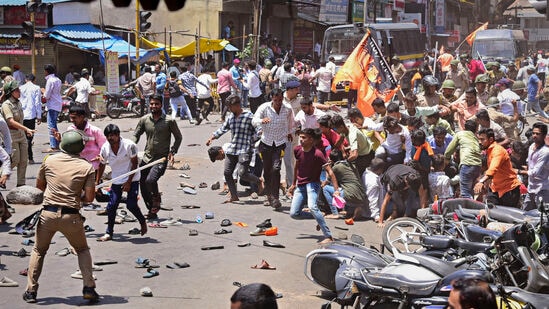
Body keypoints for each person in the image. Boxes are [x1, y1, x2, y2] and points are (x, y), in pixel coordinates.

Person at [23, 130, 99, 304]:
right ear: (80, 148)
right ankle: (88, 287)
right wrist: (76, 194)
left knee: (38, 250)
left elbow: (40, 186)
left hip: (47, 214)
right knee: (82, 250)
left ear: (63, 145)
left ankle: (31, 291)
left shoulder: (49, 160)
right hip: (71, 216)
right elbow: (89, 198)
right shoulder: (86, 167)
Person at [132, 95, 182, 220]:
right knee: (142, 185)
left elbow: (178, 137)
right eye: (152, 104)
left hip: (161, 159)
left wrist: (173, 151)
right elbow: (136, 134)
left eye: (157, 104)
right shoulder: (144, 119)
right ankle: (151, 210)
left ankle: (156, 198)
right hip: (147, 158)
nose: (154, 106)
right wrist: (130, 147)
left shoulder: (169, 121)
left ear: (161, 105)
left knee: (150, 181)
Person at [206, 95, 263, 203]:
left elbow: (259, 130)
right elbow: (223, 128)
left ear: (237, 105)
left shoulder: (249, 116)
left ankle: (258, 180)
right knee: (227, 173)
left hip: (245, 149)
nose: (229, 109)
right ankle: (234, 195)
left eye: (230, 107)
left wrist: (251, 141)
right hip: (233, 149)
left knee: (242, 173)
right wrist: (212, 137)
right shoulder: (230, 117)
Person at [95, 124, 147, 242]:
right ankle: (109, 233)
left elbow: (134, 164)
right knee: (112, 206)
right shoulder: (105, 148)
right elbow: (102, 165)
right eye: (108, 136)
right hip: (116, 179)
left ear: (118, 135)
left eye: (112, 135)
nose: (110, 138)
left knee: (131, 205)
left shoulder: (129, 145)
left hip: (132, 178)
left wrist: (129, 182)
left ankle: (142, 221)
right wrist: (97, 182)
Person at [289, 128, 334, 245]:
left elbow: (329, 170)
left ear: (311, 140)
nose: (301, 140)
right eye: (300, 137)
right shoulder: (297, 150)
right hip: (301, 184)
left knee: (312, 207)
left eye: (304, 138)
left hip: (313, 184)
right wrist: (293, 184)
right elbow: (296, 167)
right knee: (294, 214)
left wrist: (333, 186)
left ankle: (328, 235)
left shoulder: (318, 154)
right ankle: (319, 217)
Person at [252, 88, 294, 210]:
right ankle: (268, 194)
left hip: (280, 143)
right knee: (267, 170)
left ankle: (275, 197)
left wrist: (289, 132)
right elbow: (254, 120)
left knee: (276, 169)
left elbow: (290, 123)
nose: (278, 102)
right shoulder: (264, 108)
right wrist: (261, 120)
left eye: (280, 100)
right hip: (266, 143)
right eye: (276, 100)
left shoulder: (287, 109)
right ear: (272, 99)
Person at [474, 128, 522, 207]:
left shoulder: (498, 151)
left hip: (509, 189)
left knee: (507, 217)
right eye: (479, 139)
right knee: (490, 212)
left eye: (482, 139)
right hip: (495, 188)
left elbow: (493, 169)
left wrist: (481, 181)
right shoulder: (489, 151)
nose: (480, 142)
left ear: (491, 139)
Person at [2, 81, 35, 186]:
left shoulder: (18, 102)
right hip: (11, 136)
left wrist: (24, 130)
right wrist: (26, 129)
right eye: (16, 90)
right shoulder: (6, 105)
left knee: (23, 161)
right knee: (15, 160)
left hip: (21, 136)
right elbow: (11, 121)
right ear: (10, 92)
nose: (19, 91)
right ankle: (2, 175)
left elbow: (20, 120)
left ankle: (21, 185)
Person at [323, 149, 370, 221]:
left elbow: (326, 181)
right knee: (345, 186)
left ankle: (335, 213)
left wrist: (328, 168)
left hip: (349, 195)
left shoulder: (336, 167)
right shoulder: (351, 164)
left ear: (331, 160)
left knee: (326, 188)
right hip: (361, 195)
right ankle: (354, 209)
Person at [523, 122, 549, 210]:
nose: (534, 135)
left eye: (537, 134)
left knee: (542, 216)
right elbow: (529, 163)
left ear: (544, 135)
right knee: (525, 215)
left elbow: (535, 172)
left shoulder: (545, 151)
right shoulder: (531, 147)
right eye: (533, 133)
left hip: (541, 189)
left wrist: (519, 171)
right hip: (530, 188)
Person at [19, 73, 41, 164]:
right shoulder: (36, 88)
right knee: (29, 137)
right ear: (34, 80)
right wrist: (39, 116)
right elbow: (37, 103)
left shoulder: (20, 88)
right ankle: (30, 158)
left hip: (21, 115)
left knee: (22, 136)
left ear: (25, 80)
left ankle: (22, 158)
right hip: (31, 115)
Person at [42, 64, 62, 152]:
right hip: (57, 104)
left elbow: (47, 95)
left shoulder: (50, 81)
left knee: (51, 125)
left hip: (52, 105)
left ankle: (53, 146)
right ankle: (57, 144)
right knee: (54, 125)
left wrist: (43, 91)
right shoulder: (58, 80)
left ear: (46, 71)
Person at [362, 157, 385, 222]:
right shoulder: (373, 182)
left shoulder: (367, 173)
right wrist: (376, 216)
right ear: (379, 169)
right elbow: (372, 200)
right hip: (374, 210)